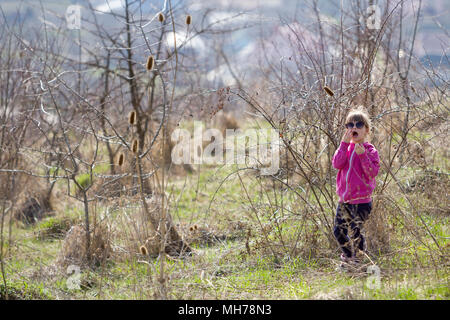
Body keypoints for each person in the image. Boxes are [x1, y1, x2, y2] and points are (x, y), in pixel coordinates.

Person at [332, 107, 380, 268]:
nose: (354, 128)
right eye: (349, 124)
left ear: (366, 130)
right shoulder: (345, 148)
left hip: (362, 201)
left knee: (356, 231)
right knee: (338, 231)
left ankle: (357, 260)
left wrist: (362, 156)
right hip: (344, 200)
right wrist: (343, 145)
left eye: (359, 124)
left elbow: (372, 172)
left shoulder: (370, 150)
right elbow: (337, 164)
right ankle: (349, 257)